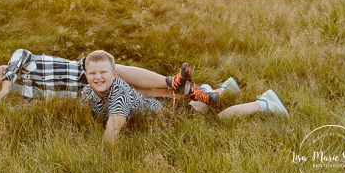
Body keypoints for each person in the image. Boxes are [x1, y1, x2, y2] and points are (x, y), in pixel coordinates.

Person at [80, 50, 289, 143]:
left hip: (168, 118)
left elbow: (110, 137)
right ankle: (224, 89)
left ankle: (264, 103)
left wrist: (100, 166)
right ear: (85, 75)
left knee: (220, 121)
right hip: (159, 107)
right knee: (195, 108)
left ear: (114, 73)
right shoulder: (87, 93)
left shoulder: (119, 95)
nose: (98, 77)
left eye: (103, 72)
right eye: (92, 73)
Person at [0, 48, 216, 106]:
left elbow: (16, 60)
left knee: (118, 71)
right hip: (82, 93)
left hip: (83, 70)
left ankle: (170, 82)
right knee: (134, 92)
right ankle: (190, 93)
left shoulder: (19, 58)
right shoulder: (20, 91)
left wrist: (3, 89)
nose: (0, 73)